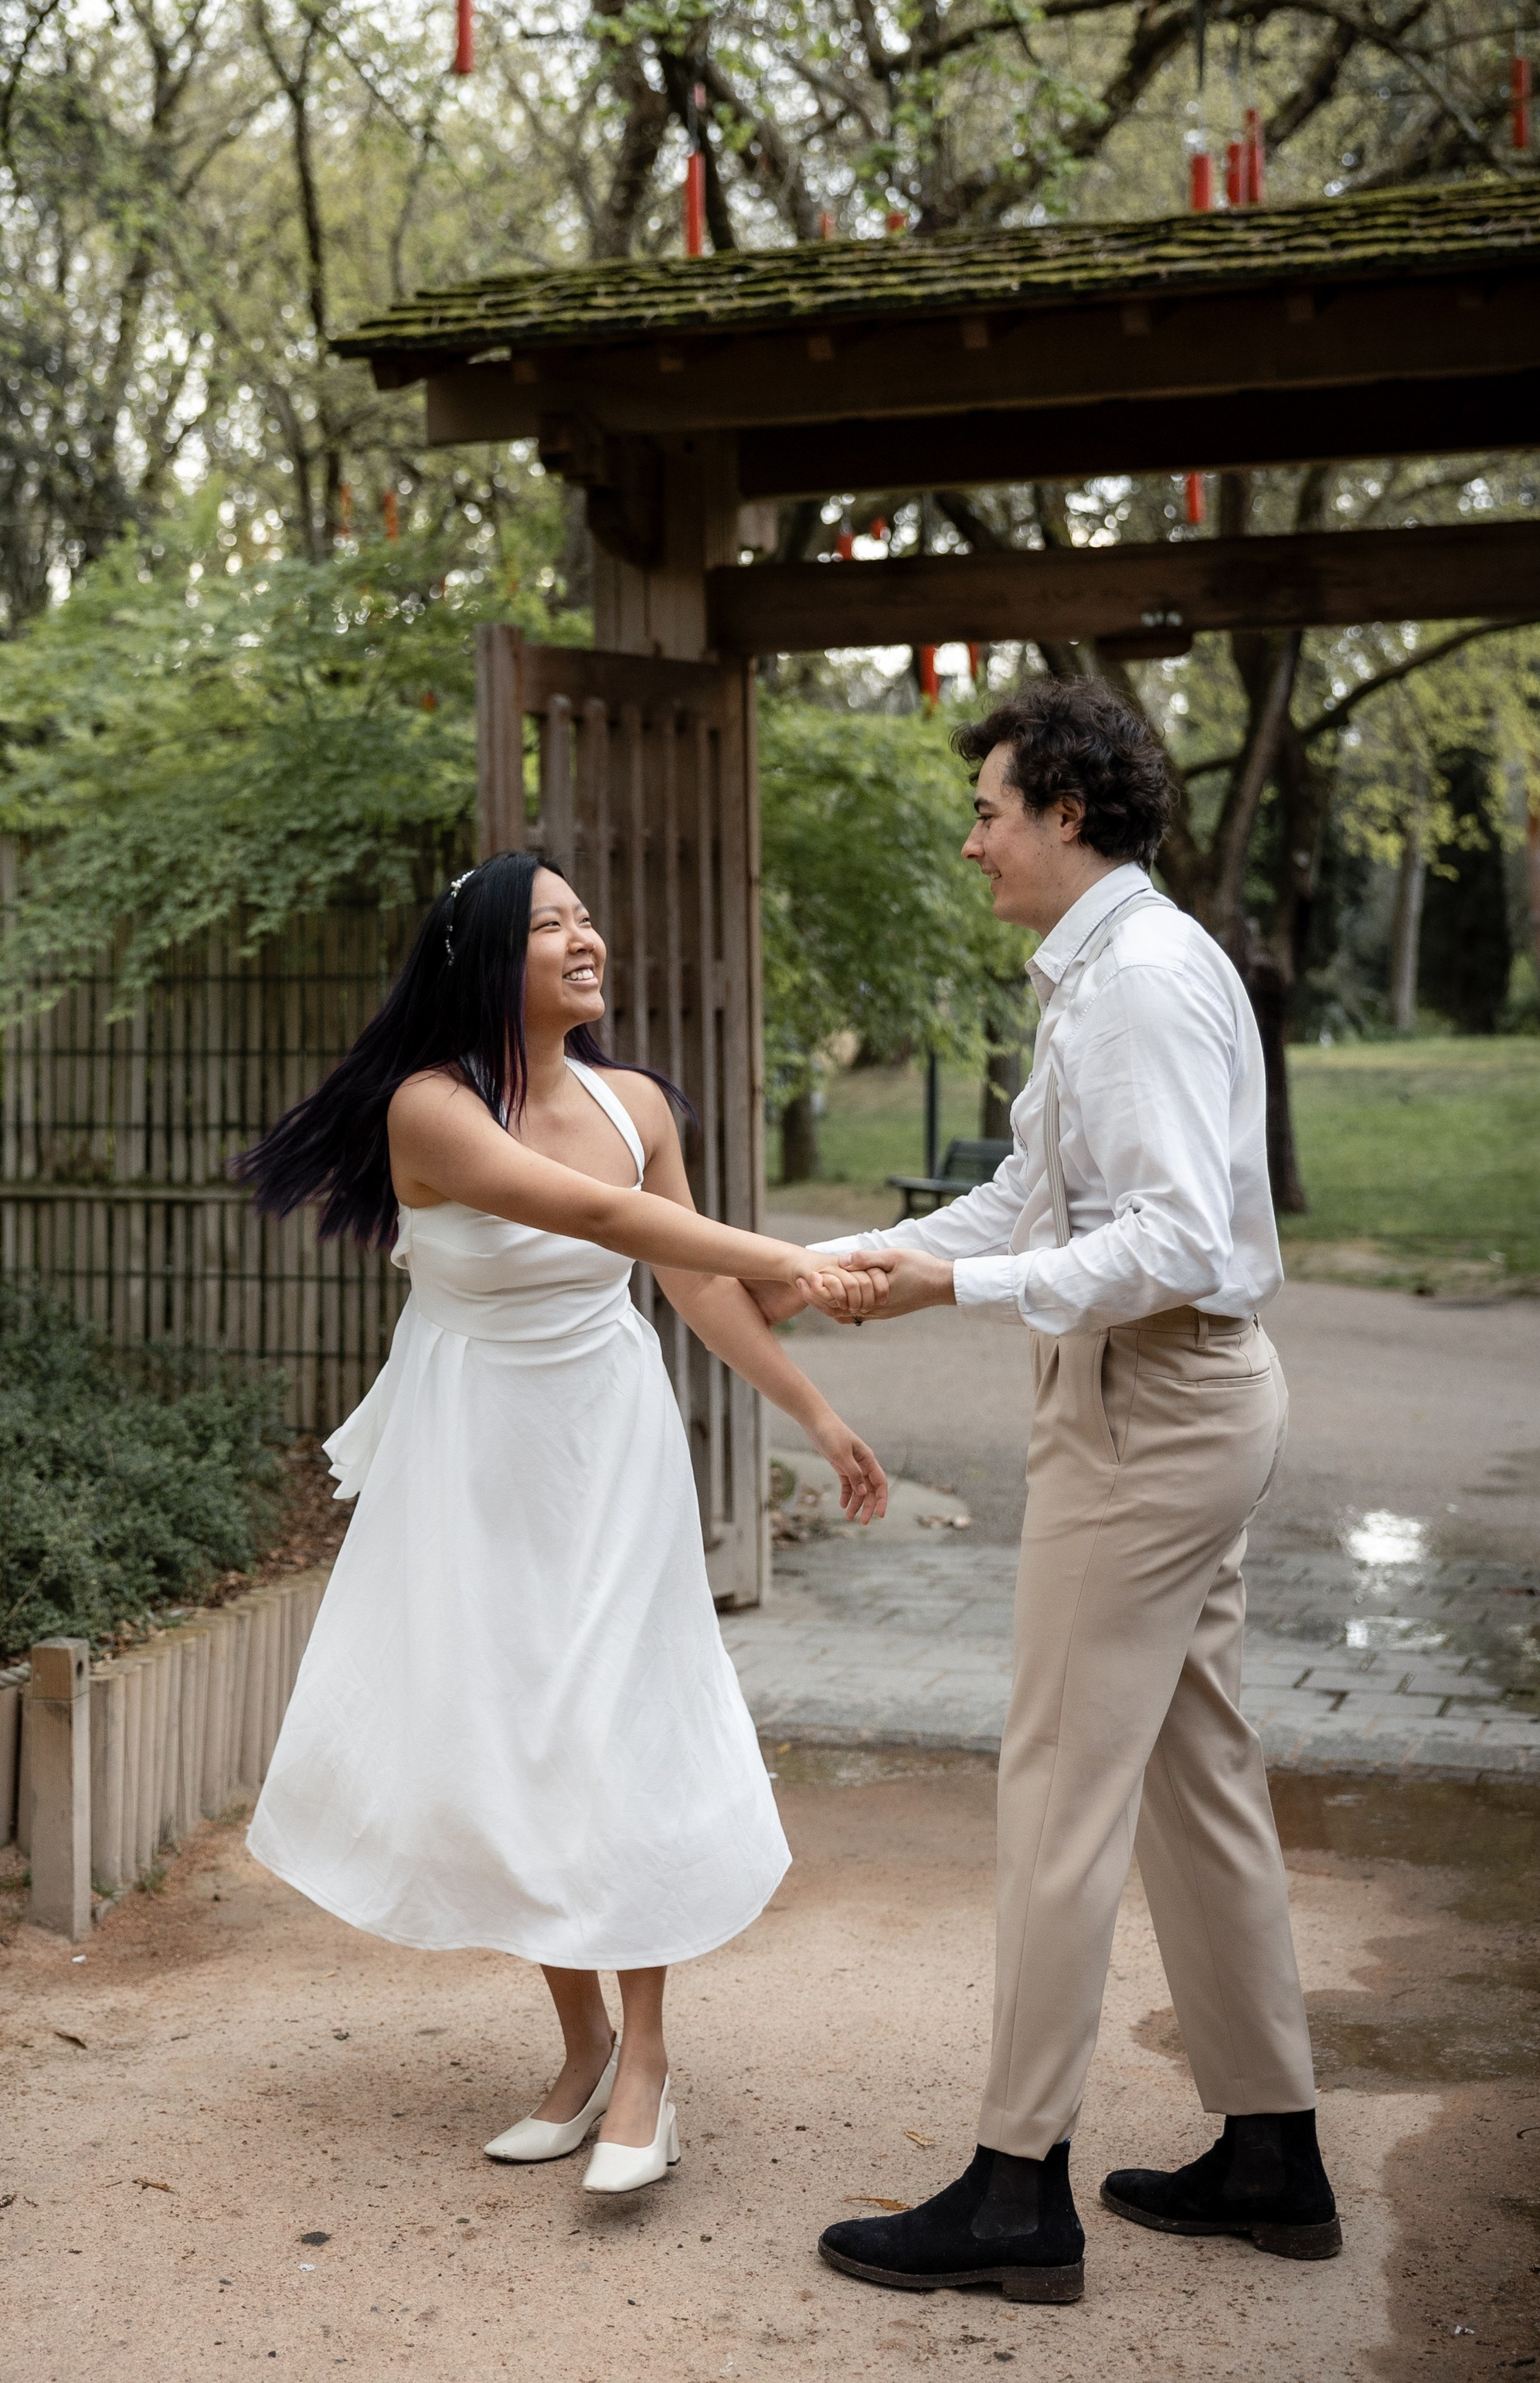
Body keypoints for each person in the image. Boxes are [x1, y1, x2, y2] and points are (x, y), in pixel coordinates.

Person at [235, 848, 888, 2198]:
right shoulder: (431, 1109)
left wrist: (815, 1416)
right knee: (518, 1731)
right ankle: (582, 2042)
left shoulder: (635, 1098)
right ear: (486, 960)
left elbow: (683, 1274)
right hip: (475, 1451)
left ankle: (646, 2061)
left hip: (608, 1440)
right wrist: (800, 1260)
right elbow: (588, 1211)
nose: (588, 939)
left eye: (588, 917)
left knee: (614, 1719)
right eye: (552, 925)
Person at [811, 676, 1338, 2309]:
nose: (970, 842)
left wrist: (942, 1298)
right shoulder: (1113, 972)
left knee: (1053, 1789)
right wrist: (874, 1259)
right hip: (1167, 1398)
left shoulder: (1136, 986)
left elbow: (1171, 1243)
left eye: (984, 810)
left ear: (1063, 811)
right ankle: (1268, 2152)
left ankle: (1014, 2185)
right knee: (1191, 1773)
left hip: (1150, 1406)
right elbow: (1038, 1197)